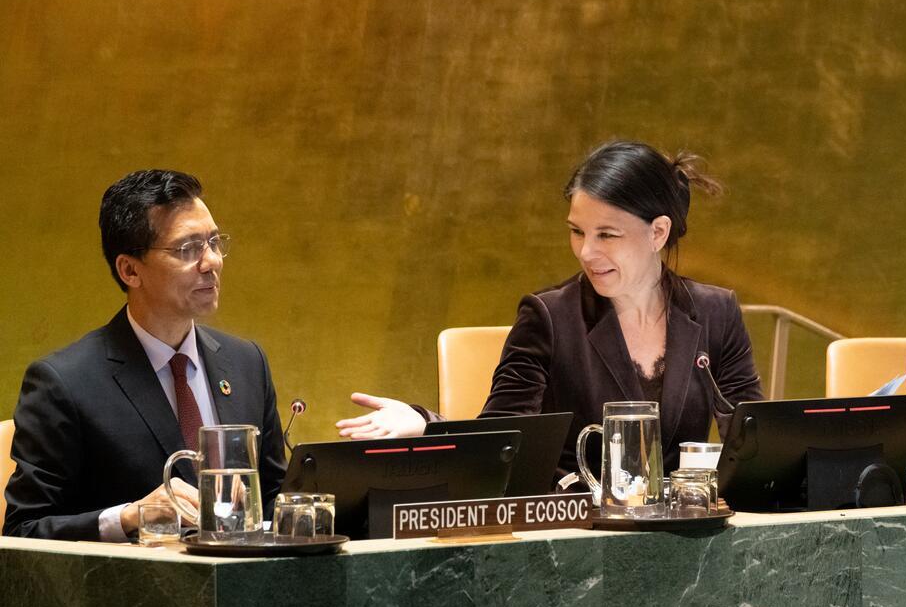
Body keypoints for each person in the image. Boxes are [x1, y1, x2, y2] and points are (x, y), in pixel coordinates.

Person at [337, 140, 763, 473]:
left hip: (687, 532)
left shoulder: (717, 312)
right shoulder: (549, 317)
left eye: (607, 235)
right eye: (577, 232)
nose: (586, 252)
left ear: (658, 233)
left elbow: (753, 442)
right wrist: (424, 424)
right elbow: (498, 441)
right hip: (579, 532)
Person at [3, 170, 287, 540]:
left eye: (214, 242)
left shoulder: (247, 363)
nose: (212, 262)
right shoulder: (64, 383)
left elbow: (275, 501)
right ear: (130, 270)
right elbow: (23, 531)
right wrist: (128, 517)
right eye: (188, 249)